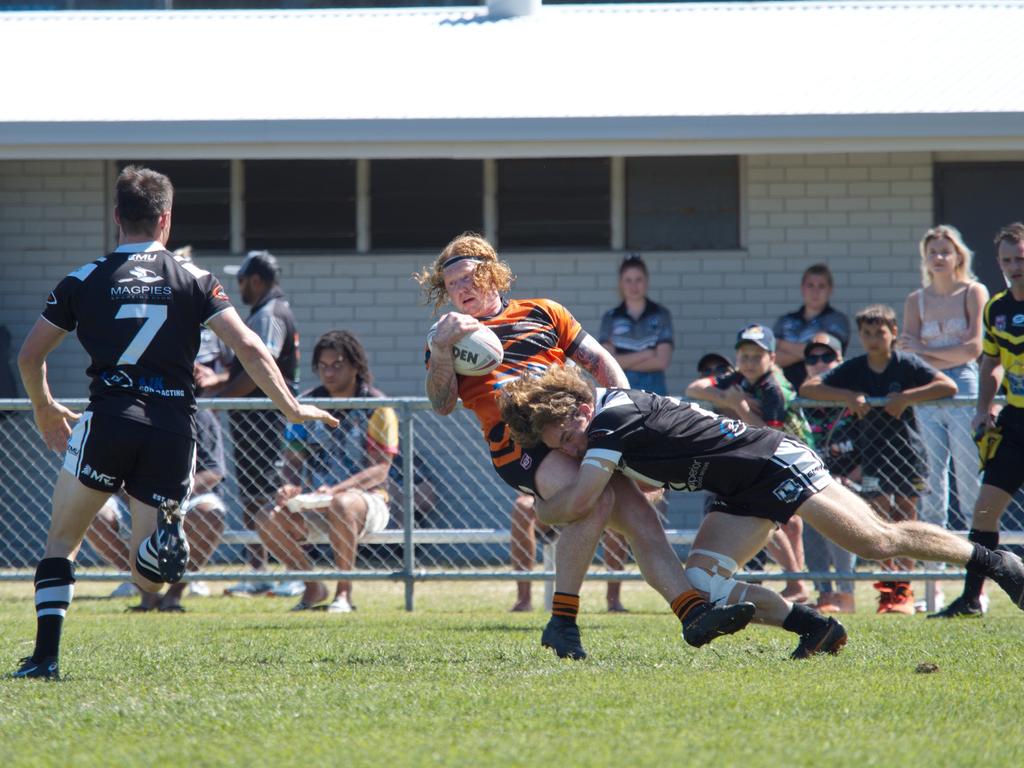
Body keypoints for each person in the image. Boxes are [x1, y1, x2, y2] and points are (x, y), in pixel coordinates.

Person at [10, 165, 337, 680]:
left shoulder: (84, 279)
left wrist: (45, 407)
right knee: (153, 581)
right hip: (171, 428)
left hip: (110, 418)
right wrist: (291, 407)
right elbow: (250, 347)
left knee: (62, 540)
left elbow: (29, 358)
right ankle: (165, 541)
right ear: (166, 220)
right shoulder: (196, 280)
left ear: (117, 217)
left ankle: (46, 657)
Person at [497, 364, 1024, 658]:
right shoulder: (598, 428)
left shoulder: (610, 420)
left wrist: (546, 506)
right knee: (701, 587)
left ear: (580, 408)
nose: (570, 449)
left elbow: (584, 500)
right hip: (739, 493)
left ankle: (998, 563)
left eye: (568, 436)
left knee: (874, 541)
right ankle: (816, 630)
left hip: (773, 463)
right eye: (560, 446)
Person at [416, 232, 753, 660]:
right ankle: (562, 620)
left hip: (576, 430)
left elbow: (600, 362)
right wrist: (442, 350)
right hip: (520, 445)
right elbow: (441, 405)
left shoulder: (544, 311)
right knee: (592, 500)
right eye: (451, 286)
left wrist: (628, 420)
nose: (460, 290)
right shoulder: (446, 338)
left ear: (492, 274)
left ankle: (692, 613)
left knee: (641, 518)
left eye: (468, 278)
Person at [801, 304, 957, 614]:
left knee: (906, 518)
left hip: (908, 451)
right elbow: (809, 387)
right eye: (867, 333)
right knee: (882, 519)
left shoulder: (906, 364)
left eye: (880, 332)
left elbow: (947, 386)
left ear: (894, 333)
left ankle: (905, 588)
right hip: (872, 453)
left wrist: (906, 398)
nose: (874, 339)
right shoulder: (856, 368)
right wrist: (848, 396)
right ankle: (888, 590)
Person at [257, 330, 397, 614]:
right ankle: (312, 586)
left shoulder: (377, 405)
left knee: (343, 504)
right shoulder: (304, 406)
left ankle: (343, 594)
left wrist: (336, 491)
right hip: (316, 501)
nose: (328, 372)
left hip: (367, 503)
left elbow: (381, 469)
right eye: (323, 366)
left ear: (356, 366)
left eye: (337, 365)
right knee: (265, 519)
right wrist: (290, 487)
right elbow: (292, 462)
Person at [931, 222, 1024, 618]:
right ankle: (971, 598)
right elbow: (990, 362)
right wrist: (983, 407)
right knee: (984, 512)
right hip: (1016, 420)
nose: (1014, 266)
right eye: (1007, 260)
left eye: (1020, 258)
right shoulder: (997, 308)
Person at [197, 249, 300, 596]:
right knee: (255, 496)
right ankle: (259, 572)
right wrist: (216, 382)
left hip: (265, 420)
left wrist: (221, 400)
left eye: (240, 280)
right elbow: (243, 368)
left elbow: (260, 372)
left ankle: (295, 573)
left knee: (269, 497)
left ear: (256, 280)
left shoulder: (269, 313)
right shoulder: (261, 312)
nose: (237, 286)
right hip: (253, 420)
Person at [686, 324, 812, 604]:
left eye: (757, 356)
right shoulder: (738, 378)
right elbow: (693, 388)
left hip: (792, 459)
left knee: (772, 518)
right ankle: (797, 584)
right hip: (769, 458)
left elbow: (772, 435)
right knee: (781, 521)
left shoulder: (773, 388)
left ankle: (796, 583)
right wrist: (727, 398)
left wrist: (741, 408)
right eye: (744, 356)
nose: (750, 362)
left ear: (772, 359)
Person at [899, 225, 988, 611]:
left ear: (958, 255)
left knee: (970, 489)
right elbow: (906, 350)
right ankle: (931, 591)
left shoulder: (973, 292)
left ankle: (975, 592)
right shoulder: (915, 300)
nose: (939, 257)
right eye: (932, 251)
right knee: (932, 490)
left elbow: (973, 349)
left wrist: (927, 351)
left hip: (965, 389)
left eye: (945, 251)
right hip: (927, 390)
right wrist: (932, 355)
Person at [85, 404, 228, 611]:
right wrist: (141, 500)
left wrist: (171, 498)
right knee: (93, 515)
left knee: (210, 515)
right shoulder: (127, 410)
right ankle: (146, 592)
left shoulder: (198, 413)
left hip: (183, 497)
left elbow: (214, 472)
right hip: (133, 497)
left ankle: (173, 596)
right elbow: (112, 468)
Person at [799, 333, 858, 613]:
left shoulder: (855, 398)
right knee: (809, 513)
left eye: (827, 357)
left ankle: (845, 594)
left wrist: (852, 478)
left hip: (854, 483)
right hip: (814, 483)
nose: (819, 363)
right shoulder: (801, 405)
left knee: (840, 515)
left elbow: (874, 448)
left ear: (840, 361)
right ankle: (824, 594)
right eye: (812, 358)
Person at [509, 493, 629, 613]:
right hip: (553, 505)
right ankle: (523, 600)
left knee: (616, 510)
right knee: (522, 505)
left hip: (593, 505)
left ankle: (614, 601)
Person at [598, 253, 674, 395]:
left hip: (655, 393)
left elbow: (662, 361)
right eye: (628, 280)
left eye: (639, 280)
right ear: (620, 283)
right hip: (622, 391)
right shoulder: (610, 318)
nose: (634, 286)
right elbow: (608, 362)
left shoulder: (661, 315)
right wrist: (647, 354)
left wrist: (623, 362)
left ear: (647, 282)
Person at [773, 264, 851, 391]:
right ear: (802, 289)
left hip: (824, 391)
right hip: (786, 392)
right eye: (810, 285)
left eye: (821, 286)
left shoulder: (837, 320)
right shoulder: (785, 321)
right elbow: (771, 359)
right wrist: (810, 351)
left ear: (830, 290)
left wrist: (781, 344)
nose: (815, 291)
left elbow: (829, 352)